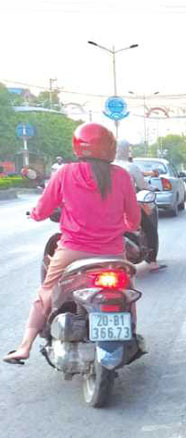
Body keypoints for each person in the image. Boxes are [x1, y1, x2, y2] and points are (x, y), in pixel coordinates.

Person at [3, 123, 141, 365]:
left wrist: (34, 214)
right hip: (113, 253)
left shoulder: (65, 173)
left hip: (72, 252)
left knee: (45, 294)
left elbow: (43, 208)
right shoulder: (121, 176)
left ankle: (24, 347)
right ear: (109, 147)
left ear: (79, 147)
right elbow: (134, 220)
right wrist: (124, 225)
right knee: (125, 294)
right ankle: (131, 335)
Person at [113, 140, 166, 273]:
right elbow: (143, 186)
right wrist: (153, 188)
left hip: (106, 208)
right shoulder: (131, 167)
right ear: (126, 151)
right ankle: (152, 262)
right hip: (127, 205)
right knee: (150, 229)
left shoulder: (107, 166)